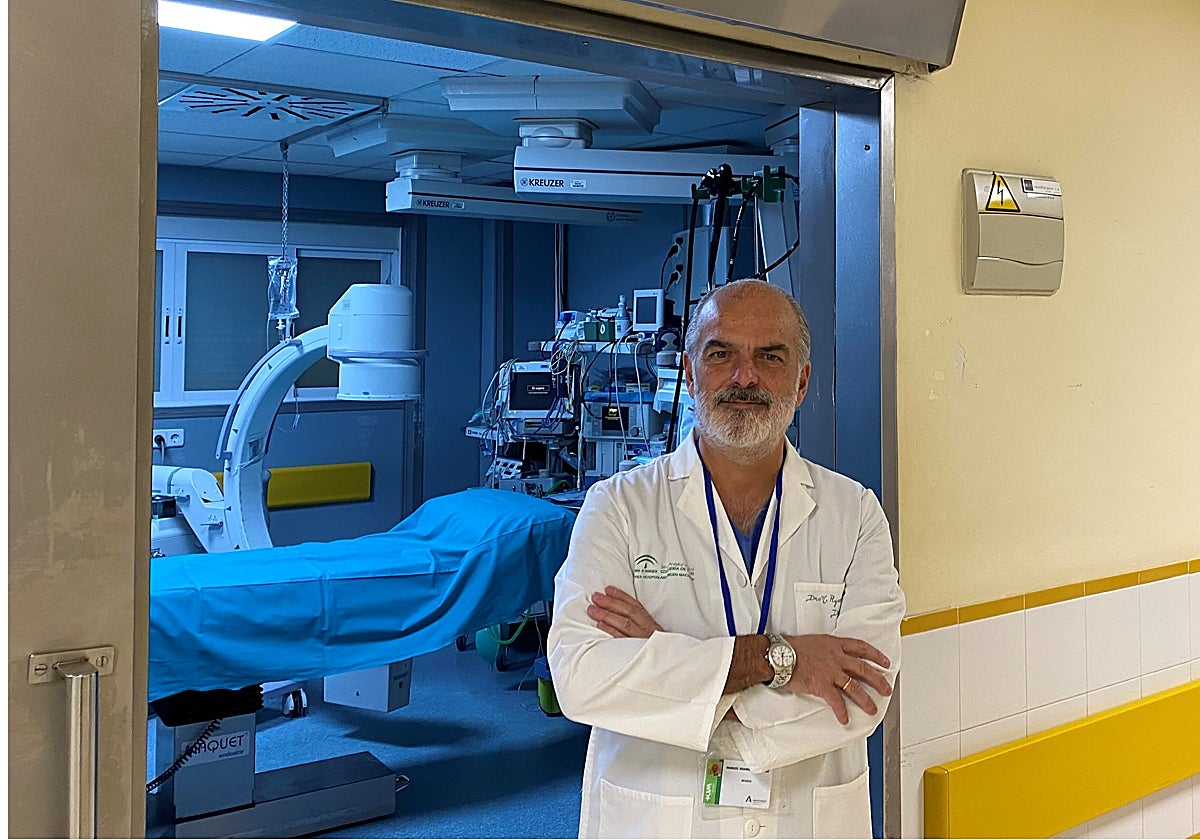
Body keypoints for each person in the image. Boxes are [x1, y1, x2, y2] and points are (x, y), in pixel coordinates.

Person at [547, 279, 905, 839]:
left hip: (804, 818)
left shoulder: (855, 515)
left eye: (770, 356)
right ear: (690, 374)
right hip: (659, 818)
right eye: (721, 354)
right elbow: (581, 676)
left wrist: (671, 667)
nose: (745, 377)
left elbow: (865, 692)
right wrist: (775, 659)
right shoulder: (618, 507)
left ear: (802, 380)